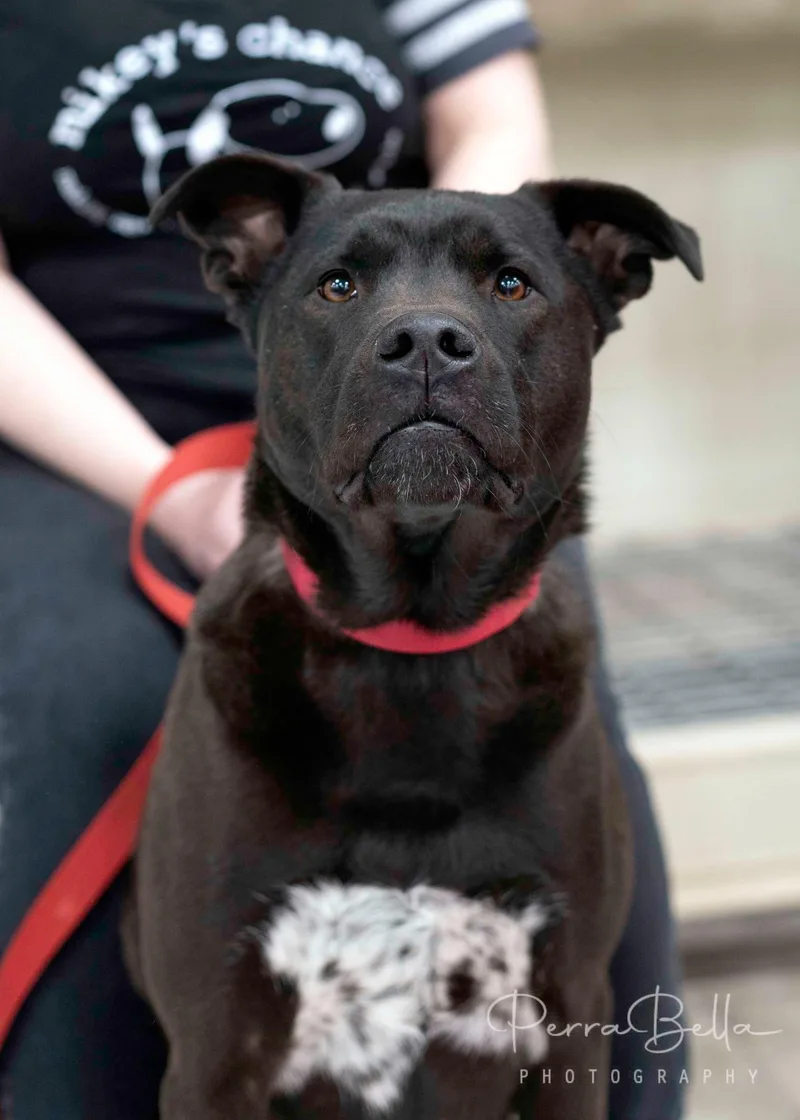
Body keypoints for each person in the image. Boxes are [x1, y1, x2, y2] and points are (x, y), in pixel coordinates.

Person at [0, 2, 685, 1117]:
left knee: (591, 751)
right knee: (85, 697)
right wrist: (162, 489)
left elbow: (490, 126)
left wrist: (494, 271)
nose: (433, 324)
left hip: (379, 359)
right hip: (75, 418)